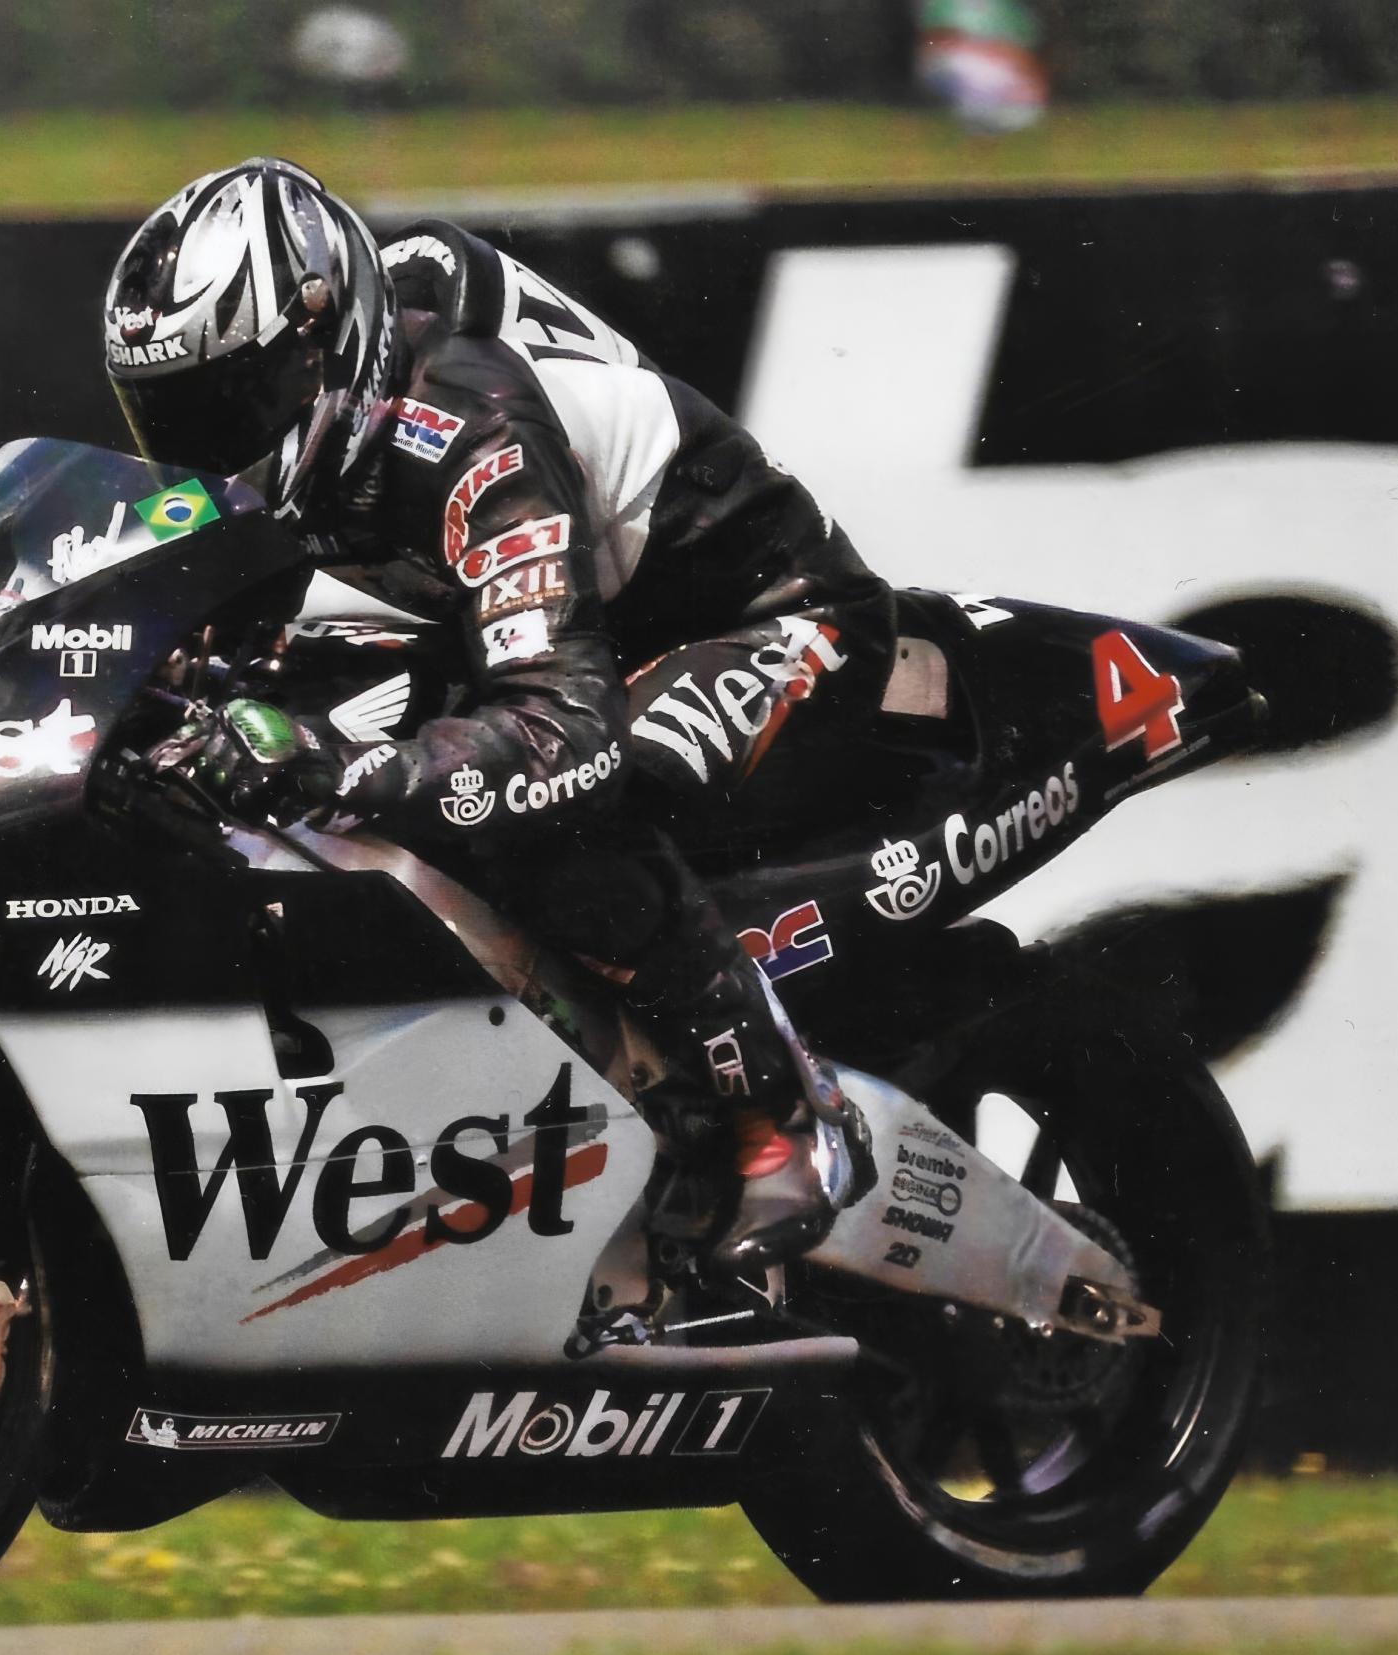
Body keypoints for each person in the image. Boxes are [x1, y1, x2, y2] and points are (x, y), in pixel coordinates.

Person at [104, 157, 882, 1275]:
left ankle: (777, 1123)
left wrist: (341, 769)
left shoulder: (469, 428)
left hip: (763, 616)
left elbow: (568, 736)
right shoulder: (303, 449)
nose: (210, 444)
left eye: (237, 403)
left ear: (329, 342)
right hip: (575, 631)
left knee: (568, 802)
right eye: (170, 417)